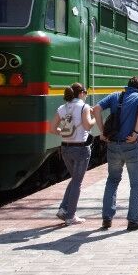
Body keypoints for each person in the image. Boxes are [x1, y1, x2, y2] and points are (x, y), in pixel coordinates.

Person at [92, 76, 138, 231]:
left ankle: (107, 218)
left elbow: (95, 109)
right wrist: (136, 132)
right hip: (131, 146)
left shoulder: (115, 95)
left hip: (113, 146)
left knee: (112, 180)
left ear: (128, 86)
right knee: (136, 184)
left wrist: (102, 131)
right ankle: (134, 220)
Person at [50, 83, 95, 225]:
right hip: (80, 149)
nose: (86, 94)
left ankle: (63, 209)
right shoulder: (84, 107)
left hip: (65, 148)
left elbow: (52, 129)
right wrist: (94, 117)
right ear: (81, 93)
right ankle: (71, 216)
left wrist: (64, 132)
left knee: (74, 179)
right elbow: (88, 126)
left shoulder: (62, 108)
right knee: (77, 181)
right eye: (85, 92)